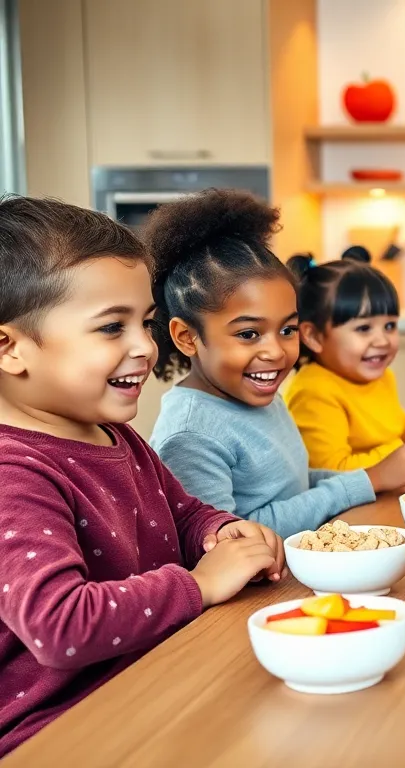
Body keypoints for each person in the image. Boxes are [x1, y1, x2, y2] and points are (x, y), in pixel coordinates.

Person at [0, 196, 283, 756]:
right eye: (111, 328)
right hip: (64, 732)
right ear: (10, 348)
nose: (145, 348)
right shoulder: (14, 474)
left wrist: (217, 531)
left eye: (146, 322)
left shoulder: (112, 433)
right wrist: (199, 585)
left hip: (154, 672)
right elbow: (60, 625)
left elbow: (179, 512)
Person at [145, 190, 405, 539]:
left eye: (287, 329)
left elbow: (294, 486)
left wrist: (368, 479)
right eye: (248, 334)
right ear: (186, 337)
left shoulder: (257, 394)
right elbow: (235, 539)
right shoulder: (190, 436)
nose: (276, 351)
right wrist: (367, 480)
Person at [285, 255, 405, 473]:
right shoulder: (314, 392)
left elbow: (398, 427)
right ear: (314, 336)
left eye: (390, 325)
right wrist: (395, 456)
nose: (383, 340)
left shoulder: (382, 377)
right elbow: (329, 471)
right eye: (364, 328)